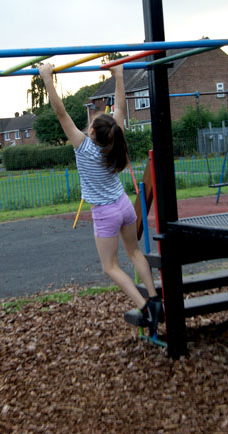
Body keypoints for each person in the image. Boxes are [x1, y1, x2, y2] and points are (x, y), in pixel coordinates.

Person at [38, 62, 164, 337]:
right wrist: (119, 75)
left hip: (107, 213)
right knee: (134, 253)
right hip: (123, 204)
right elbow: (119, 110)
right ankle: (155, 298)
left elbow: (61, 114)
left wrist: (47, 79)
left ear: (92, 132)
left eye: (90, 124)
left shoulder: (84, 147)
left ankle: (145, 307)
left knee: (110, 267)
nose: (87, 126)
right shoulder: (116, 142)